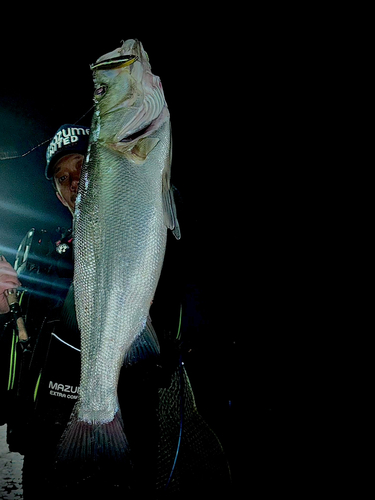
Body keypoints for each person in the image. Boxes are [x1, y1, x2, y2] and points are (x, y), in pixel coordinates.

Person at [0, 124, 232, 499]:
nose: (74, 182)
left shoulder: (148, 223)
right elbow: (17, 342)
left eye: (84, 169)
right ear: (57, 192)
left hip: (130, 422)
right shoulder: (39, 246)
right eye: (63, 177)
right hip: (48, 432)